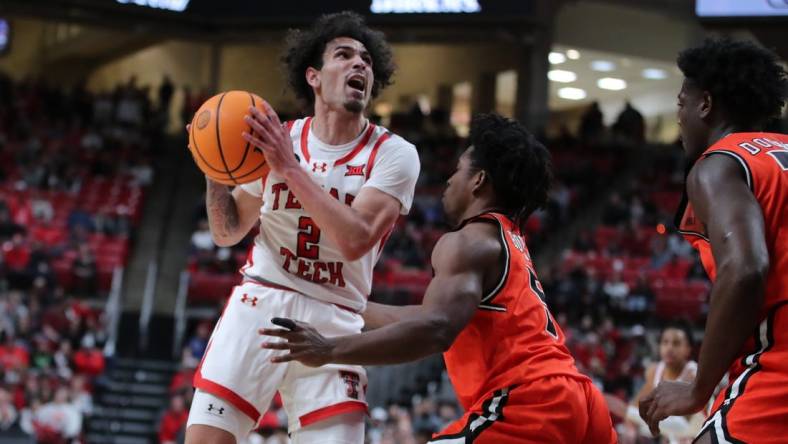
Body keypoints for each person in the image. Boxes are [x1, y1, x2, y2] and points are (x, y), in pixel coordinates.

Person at [260, 114, 615, 443]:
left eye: (458, 169)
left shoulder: (468, 241)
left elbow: (435, 329)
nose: (448, 179)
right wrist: (347, 304)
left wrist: (329, 350)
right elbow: (430, 316)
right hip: (579, 400)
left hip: (533, 399)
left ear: (478, 180)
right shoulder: (507, 241)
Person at [184, 11, 420, 444]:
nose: (360, 65)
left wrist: (288, 168)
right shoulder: (281, 138)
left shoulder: (393, 155)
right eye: (344, 55)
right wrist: (214, 168)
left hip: (336, 318)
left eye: (367, 60)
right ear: (313, 76)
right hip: (260, 300)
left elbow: (354, 239)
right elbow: (227, 231)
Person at [639, 38, 788, 443]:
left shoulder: (720, 164)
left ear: (705, 105)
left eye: (681, 105)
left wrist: (698, 387)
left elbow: (745, 269)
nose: (680, 120)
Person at [610, 322, 704, 443]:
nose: (669, 348)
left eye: (676, 343)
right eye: (665, 342)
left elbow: (682, 425)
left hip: (694, 433)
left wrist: (626, 412)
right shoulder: (654, 371)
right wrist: (630, 427)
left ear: (688, 349)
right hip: (666, 434)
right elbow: (637, 406)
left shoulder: (693, 373)